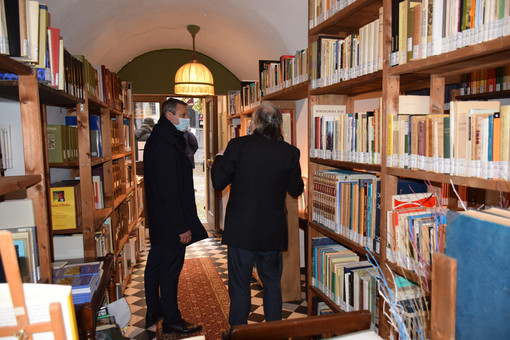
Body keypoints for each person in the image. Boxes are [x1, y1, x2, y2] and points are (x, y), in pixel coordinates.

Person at [211, 102, 304, 329]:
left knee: (240, 286)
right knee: (272, 284)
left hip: (241, 231)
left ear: (256, 123)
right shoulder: (290, 152)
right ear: (279, 125)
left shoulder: (237, 146)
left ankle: (239, 332)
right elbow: (296, 190)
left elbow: (218, 181)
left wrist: (220, 157)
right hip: (271, 232)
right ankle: (273, 333)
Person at [143, 98, 208, 335]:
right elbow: (168, 191)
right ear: (169, 115)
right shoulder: (164, 145)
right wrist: (182, 227)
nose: (186, 119)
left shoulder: (161, 138)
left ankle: (154, 310)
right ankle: (172, 320)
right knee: (170, 271)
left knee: (156, 265)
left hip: (161, 220)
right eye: (183, 114)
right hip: (170, 222)